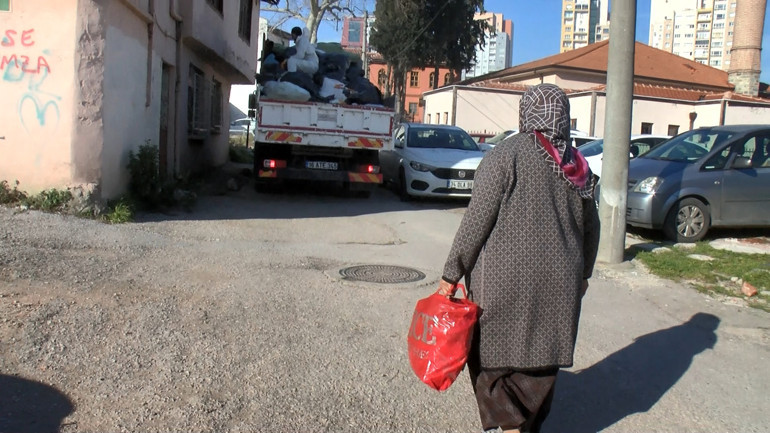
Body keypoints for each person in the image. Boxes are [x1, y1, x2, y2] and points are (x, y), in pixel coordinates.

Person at [437, 83, 600, 433]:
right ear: (563, 116)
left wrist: (451, 273)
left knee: (491, 362)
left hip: (502, 284)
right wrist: (584, 275)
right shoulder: (576, 166)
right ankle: (524, 425)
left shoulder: (504, 154)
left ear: (527, 114)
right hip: (559, 288)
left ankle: (511, 426)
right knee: (541, 365)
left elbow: (476, 220)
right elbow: (591, 230)